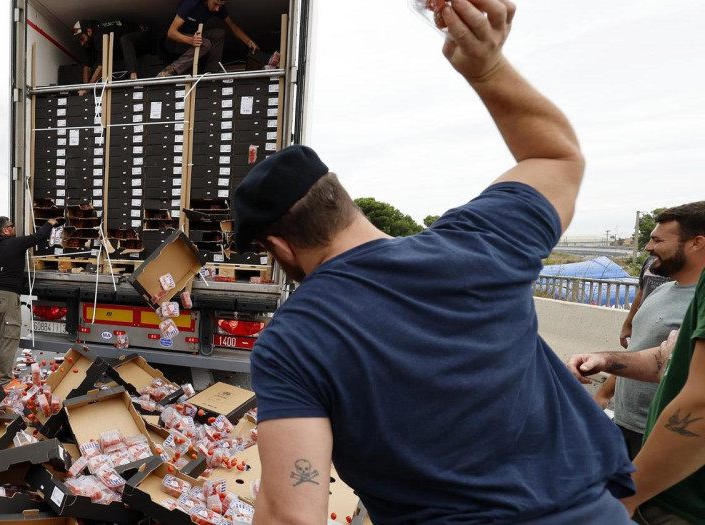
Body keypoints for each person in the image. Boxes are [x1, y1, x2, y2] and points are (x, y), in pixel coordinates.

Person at [241, 2, 635, 523]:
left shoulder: (293, 340)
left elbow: (293, 514)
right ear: (344, 200)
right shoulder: (482, 242)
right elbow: (556, 158)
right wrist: (487, 68)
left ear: (280, 248)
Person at [566, 202, 705, 523]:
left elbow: (700, 402)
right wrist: (606, 361)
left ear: (696, 243)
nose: (647, 247)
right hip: (629, 428)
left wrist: (628, 497)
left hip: (670, 454)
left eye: (658, 240)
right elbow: (664, 360)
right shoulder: (664, 290)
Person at [0, 217, 57, 380]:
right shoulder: (13, 244)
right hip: (5, 297)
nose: (14, 228)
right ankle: (6, 379)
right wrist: (50, 223)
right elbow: (38, 237)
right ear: (5, 230)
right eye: (12, 226)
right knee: (9, 339)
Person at [159, 0, 258, 77]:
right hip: (173, 41)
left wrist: (248, 41)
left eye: (220, 6)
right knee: (205, 44)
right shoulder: (191, 3)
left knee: (219, 34)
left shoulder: (218, 7)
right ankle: (170, 70)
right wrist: (191, 40)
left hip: (192, 38)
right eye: (215, 4)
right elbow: (171, 33)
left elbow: (232, 26)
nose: (217, 9)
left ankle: (211, 74)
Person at [621, 253, 674, 348]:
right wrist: (627, 325)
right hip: (643, 325)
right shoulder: (649, 260)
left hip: (666, 328)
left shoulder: (681, 262)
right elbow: (641, 293)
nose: (648, 247)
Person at [74, 19, 151, 82]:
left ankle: (133, 75)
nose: (81, 44)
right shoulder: (88, 42)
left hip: (144, 36)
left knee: (125, 39)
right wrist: (84, 88)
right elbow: (87, 66)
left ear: (89, 31)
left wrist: (88, 89)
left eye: (81, 39)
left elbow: (102, 66)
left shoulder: (99, 34)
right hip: (128, 49)